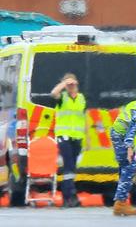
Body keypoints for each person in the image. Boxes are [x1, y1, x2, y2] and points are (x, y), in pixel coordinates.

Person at [50, 73, 86, 208]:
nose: (71, 86)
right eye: (68, 85)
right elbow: (53, 93)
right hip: (64, 137)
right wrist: (64, 83)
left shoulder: (81, 98)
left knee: (72, 168)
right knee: (68, 166)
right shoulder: (62, 98)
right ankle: (69, 197)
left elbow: (84, 117)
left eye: (73, 83)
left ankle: (71, 196)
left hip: (77, 138)